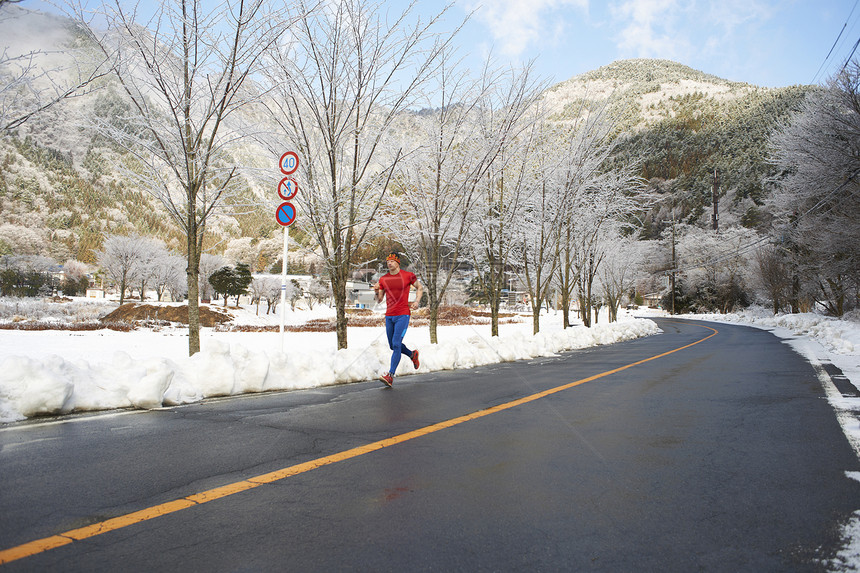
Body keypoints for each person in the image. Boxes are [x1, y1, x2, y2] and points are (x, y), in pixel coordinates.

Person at [372, 252, 423, 387]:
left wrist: (417, 301)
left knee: (396, 343)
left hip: (403, 314)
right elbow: (379, 300)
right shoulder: (383, 279)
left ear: (398, 262)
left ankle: (390, 375)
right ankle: (412, 354)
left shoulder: (408, 276)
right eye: (388, 261)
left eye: (392, 261)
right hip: (389, 316)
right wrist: (376, 291)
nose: (389, 263)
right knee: (392, 345)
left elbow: (420, 287)